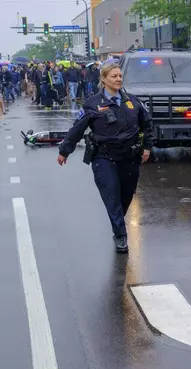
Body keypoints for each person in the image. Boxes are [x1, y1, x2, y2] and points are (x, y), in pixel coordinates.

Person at [56, 62, 154, 253]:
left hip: (129, 157)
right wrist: (64, 150)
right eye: (113, 76)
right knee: (111, 197)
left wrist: (147, 147)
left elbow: (147, 124)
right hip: (104, 158)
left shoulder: (133, 102)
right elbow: (77, 129)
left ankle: (117, 223)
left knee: (126, 196)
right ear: (103, 79)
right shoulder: (93, 104)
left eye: (119, 76)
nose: (118, 79)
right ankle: (120, 235)